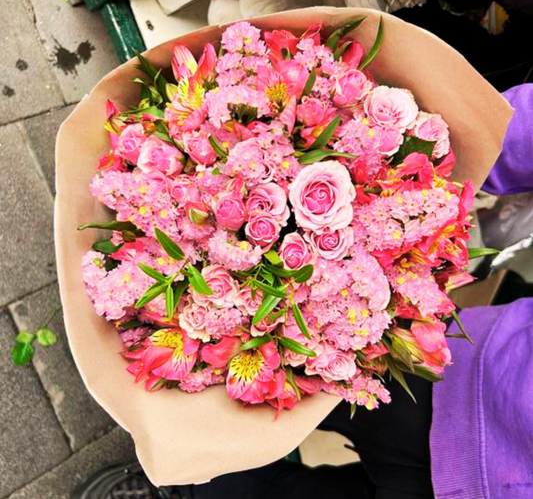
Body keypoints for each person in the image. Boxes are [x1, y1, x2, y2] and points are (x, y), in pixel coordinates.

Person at [72, 85, 533, 499]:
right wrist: (440, 153)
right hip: (464, 377)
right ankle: (194, 474)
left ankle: (190, 488)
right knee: (281, 398)